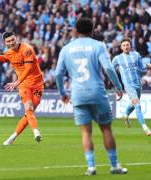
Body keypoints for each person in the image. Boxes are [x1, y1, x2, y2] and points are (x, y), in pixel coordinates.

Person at [55, 17, 127, 176]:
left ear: (75, 31)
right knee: (106, 129)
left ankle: (91, 167)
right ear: (92, 31)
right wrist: (118, 86)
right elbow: (108, 67)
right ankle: (114, 166)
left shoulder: (66, 49)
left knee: (86, 132)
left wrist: (62, 93)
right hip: (97, 93)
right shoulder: (98, 45)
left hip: (78, 95)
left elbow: (58, 74)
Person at [0, 32, 44, 145]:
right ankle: (36, 132)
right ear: (5, 43)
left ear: (17, 38)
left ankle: (12, 137)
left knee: (28, 114)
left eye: (12, 40)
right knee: (29, 109)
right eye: (8, 41)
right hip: (24, 85)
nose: (11, 43)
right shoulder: (9, 52)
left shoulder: (27, 49)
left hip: (37, 84)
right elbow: (5, 58)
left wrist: (16, 82)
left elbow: (29, 69)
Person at [112, 37, 151, 136]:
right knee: (137, 105)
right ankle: (145, 128)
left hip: (138, 84)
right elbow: (111, 71)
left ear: (130, 46)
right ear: (121, 47)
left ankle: (125, 115)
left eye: (127, 45)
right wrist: (117, 86)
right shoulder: (117, 59)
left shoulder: (136, 55)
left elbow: (142, 68)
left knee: (134, 104)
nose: (126, 47)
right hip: (128, 86)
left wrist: (148, 66)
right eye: (124, 45)